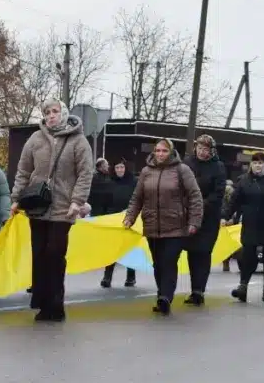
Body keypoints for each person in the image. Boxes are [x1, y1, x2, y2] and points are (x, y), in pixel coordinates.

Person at [12, 100, 93, 322]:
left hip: (63, 209)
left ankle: (56, 305)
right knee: (39, 254)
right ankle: (42, 303)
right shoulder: (35, 139)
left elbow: (85, 173)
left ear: (64, 113)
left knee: (55, 254)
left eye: (55, 111)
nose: (51, 116)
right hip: (38, 207)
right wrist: (16, 198)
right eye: (47, 112)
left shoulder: (78, 141)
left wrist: (77, 201)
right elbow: (23, 170)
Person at [123, 138, 203, 315]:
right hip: (152, 226)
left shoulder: (182, 170)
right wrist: (130, 217)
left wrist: (194, 222)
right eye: (158, 151)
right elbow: (137, 198)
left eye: (164, 151)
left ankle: (166, 296)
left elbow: (195, 196)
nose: (160, 154)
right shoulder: (146, 172)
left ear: (171, 152)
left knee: (168, 262)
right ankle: (161, 296)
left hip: (176, 226)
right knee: (158, 264)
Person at [222, 152, 264, 303]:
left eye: (261, 163)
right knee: (247, 256)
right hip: (250, 223)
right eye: (255, 163)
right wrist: (226, 217)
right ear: (251, 165)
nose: (258, 166)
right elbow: (235, 201)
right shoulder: (244, 181)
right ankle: (243, 286)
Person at [181, 134, 227, 306]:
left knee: (203, 252)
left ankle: (200, 289)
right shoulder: (187, 163)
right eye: (199, 148)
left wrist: (201, 205)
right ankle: (194, 290)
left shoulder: (218, 167)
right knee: (192, 253)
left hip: (208, 217)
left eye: (205, 149)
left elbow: (218, 192)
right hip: (189, 216)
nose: (201, 152)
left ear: (211, 151)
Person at [90, 159, 137, 288]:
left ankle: (131, 277)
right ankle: (107, 277)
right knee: (111, 249)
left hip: (129, 218)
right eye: (117, 168)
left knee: (129, 249)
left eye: (122, 167)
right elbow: (103, 201)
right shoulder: (109, 182)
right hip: (113, 219)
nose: (120, 170)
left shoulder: (133, 182)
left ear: (126, 168)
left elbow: (138, 199)